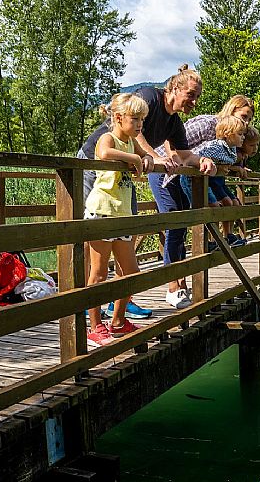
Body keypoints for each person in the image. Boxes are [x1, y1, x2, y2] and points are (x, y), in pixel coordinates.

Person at [82, 64, 218, 310]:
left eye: (197, 97)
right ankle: (84, 302)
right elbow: (135, 134)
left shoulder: (174, 122)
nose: (194, 102)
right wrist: (149, 157)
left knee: (129, 227)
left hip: (121, 174)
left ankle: (120, 301)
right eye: (191, 95)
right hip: (94, 164)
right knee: (90, 235)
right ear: (175, 89)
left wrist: (204, 160)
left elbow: (184, 153)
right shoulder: (148, 97)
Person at [83, 93, 155, 347]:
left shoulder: (130, 142)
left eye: (142, 121)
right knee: (99, 272)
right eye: (135, 119)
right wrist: (135, 158)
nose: (139, 126)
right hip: (102, 212)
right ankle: (94, 326)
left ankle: (117, 320)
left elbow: (145, 156)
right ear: (117, 118)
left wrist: (145, 157)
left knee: (131, 271)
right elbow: (103, 153)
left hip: (122, 214)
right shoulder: (109, 137)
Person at [179, 116, 248, 249]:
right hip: (192, 180)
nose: (243, 137)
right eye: (240, 134)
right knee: (210, 208)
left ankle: (221, 238)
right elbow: (197, 157)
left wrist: (232, 168)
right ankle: (209, 241)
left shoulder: (231, 148)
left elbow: (224, 164)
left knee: (221, 205)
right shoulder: (216, 146)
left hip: (206, 180)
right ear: (228, 134)